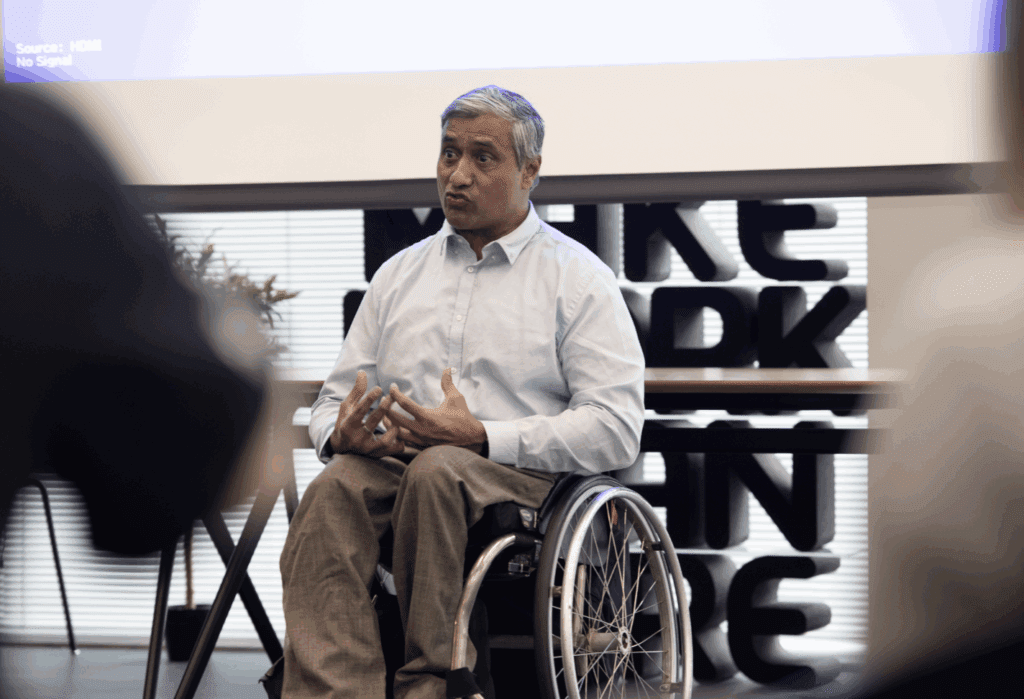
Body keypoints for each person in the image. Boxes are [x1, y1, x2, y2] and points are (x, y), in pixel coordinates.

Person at [278, 86, 645, 699]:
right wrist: (337, 433)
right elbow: (328, 404)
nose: (458, 176)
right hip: (402, 469)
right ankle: (330, 690)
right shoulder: (398, 275)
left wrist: (481, 435)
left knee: (441, 469)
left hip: (522, 476)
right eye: (449, 155)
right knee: (335, 487)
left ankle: (435, 682)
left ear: (530, 172)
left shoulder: (578, 279)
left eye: (483, 158)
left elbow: (615, 427)